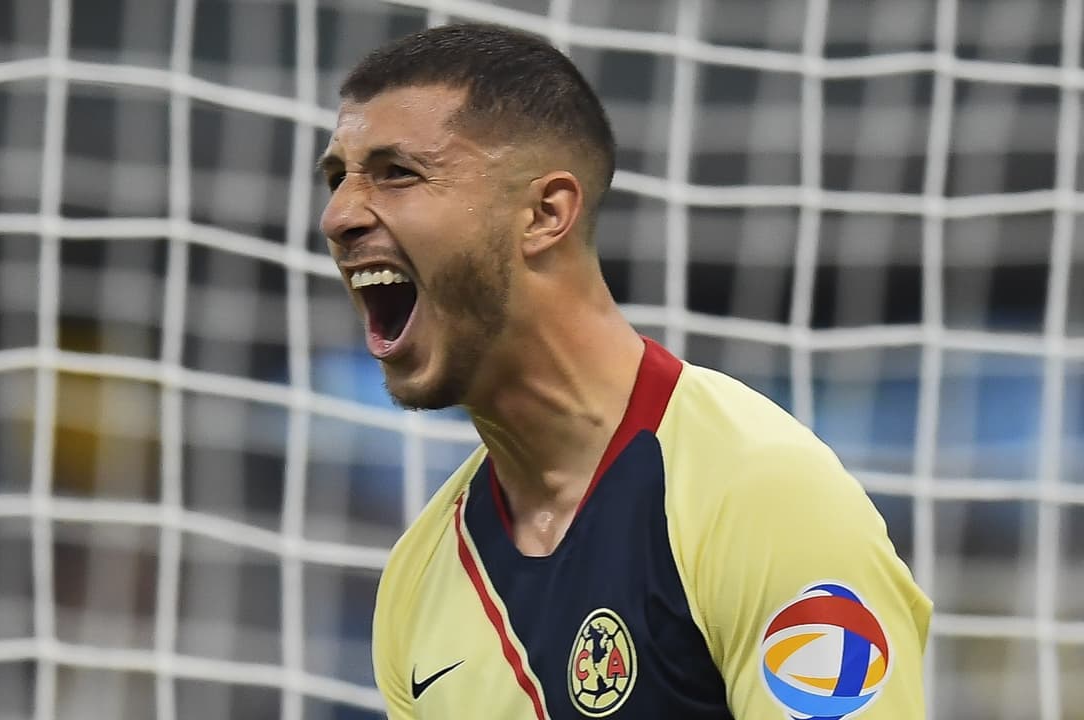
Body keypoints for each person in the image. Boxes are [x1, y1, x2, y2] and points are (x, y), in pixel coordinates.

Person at [317, 22, 931, 720]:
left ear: (544, 213)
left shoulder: (757, 494)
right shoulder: (420, 575)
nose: (338, 216)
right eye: (337, 179)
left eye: (398, 173)